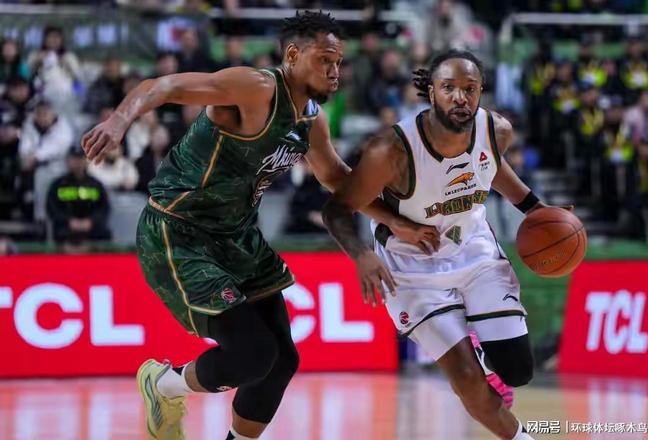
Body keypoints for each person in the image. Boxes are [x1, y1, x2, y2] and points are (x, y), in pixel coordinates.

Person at [81, 11, 438, 440]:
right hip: (180, 231)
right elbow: (165, 86)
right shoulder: (255, 87)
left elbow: (337, 179)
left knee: (282, 361)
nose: (334, 71)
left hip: (238, 236)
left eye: (339, 62)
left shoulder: (311, 120)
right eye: (325, 60)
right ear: (293, 55)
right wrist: (120, 120)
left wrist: (396, 222)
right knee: (253, 355)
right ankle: (162, 384)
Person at [322, 50, 567, 440]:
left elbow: (490, 166)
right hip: (411, 268)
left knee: (518, 371)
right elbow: (337, 209)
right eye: (449, 87)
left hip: (474, 252)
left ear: (481, 91)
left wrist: (536, 209)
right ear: (432, 92)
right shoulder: (392, 150)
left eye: (470, 88)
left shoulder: (497, 130)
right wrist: (363, 253)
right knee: (468, 379)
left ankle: (479, 344)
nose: (460, 97)